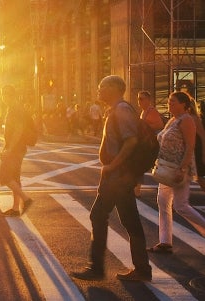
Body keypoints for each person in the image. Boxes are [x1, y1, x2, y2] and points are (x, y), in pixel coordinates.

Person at [71, 75, 152, 282]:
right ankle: (141, 269)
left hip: (117, 177)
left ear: (115, 88)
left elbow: (131, 140)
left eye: (102, 87)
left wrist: (112, 166)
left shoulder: (122, 109)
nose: (99, 90)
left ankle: (97, 268)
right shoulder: (118, 109)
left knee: (98, 215)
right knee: (129, 220)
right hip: (119, 177)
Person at [147, 91, 205, 254]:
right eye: (169, 101)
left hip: (179, 169)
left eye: (173, 102)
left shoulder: (187, 120)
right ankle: (165, 242)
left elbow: (190, 146)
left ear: (184, 105)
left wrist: (183, 168)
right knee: (163, 202)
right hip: (167, 168)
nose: (169, 104)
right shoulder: (173, 120)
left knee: (181, 205)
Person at [0, 85, 33, 216]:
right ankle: (15, 208)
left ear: (10, 95)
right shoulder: (12, 108)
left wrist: (9, 149)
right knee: (14, 178)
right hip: (15, 148)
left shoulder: (16, 108)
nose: (3, 97)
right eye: (2, 94)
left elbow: (18, 130)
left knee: (4, 177)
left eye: (5, 94)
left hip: (16, 149)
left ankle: (26, 199)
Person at [134, 90, 165, 198]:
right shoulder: (144, 111)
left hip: (151, 146)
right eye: (138, 98)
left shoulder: (151, 111)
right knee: (140, 166)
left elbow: (159, 125)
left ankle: (137, 190)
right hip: (147, 145)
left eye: (141, 99)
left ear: (148, 100)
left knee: (145, 167)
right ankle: (136, 189)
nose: (139, 101)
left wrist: (145, 126)